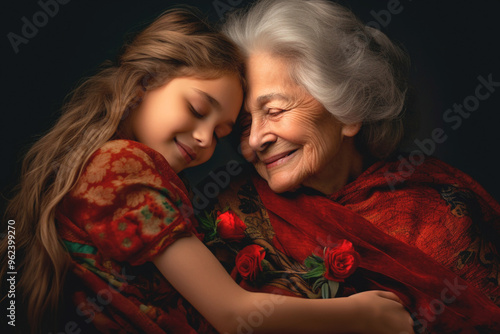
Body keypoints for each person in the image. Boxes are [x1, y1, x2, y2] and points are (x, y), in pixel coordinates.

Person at [0, 7, 416, 334]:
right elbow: (233, 315)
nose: (204, 139)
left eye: (221, 132)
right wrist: (360, 315)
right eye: (197, 110)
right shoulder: (123, 165)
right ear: (142, 83)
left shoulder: (112, 168)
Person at [192, 0, 500, 333]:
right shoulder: (229, 211)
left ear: (347, 110)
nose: (254, 140)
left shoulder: (440, 216)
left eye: (276, 111)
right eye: (243, 123)